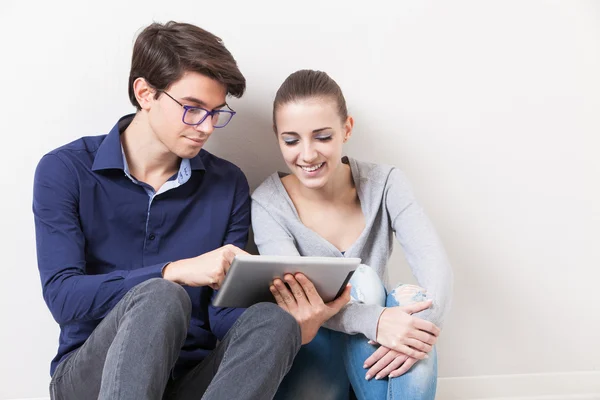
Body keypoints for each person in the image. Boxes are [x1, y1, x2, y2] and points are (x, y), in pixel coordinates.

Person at [33, 23, 349, 400]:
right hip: (90, 379)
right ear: (145, 93)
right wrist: (173, 272)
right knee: (161, 295)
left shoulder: (227, 184)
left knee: (273, 321)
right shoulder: (65, 170)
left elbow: (221, 317)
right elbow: (63, 298)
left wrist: (293, 322)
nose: (206, 127)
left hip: (191, 380)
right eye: (193, 109)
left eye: (216, 112)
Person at [251, 69, 453, 399]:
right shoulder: (268, 204)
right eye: (291, 140)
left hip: (373, 359)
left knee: (413, 300)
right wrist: (374, 321)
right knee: (362, 280)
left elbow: (435, 266)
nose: (307, 154)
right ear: (277, 137)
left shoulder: (386, 183)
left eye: (322, 137)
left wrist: (418, 332)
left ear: (346, 129)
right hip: (314, 362)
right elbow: (303, 299)